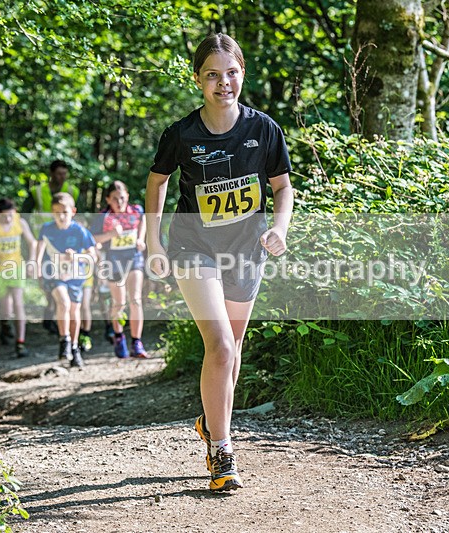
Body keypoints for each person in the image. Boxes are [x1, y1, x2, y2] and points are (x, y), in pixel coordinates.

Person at [145, 34, 294, 492]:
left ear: (242, 75)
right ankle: (222, 450)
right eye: (212, 74)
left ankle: (211, 423)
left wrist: (280, 229)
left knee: (233, 352)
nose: (222, 82)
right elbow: (156, 185)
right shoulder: (181, 134)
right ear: (198, 80)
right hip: (193, 248)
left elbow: (282, 188)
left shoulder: (264, 129)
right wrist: (153, 242)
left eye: (231, 73)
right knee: (221, 345)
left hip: (246, 248)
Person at [36, 192, 96, 369]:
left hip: (76, 276)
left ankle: (75, 347)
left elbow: (93, 257)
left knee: (74, 310)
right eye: (56, 212)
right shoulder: (46, 229)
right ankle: (64, 340)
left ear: (73, 211)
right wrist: (37, 266)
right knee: (63, 302)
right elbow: (39, 249)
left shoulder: (80, 231)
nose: (60, 216)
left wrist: (76, 256)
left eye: (64, 212)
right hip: (54, 275)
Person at [22, 160, 81, 336]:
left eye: (64, 173)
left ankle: (54, 318)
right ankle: (52, 312)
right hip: (44, 244)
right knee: (49, 284)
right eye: (58, 174)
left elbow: (83, 216)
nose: (61, 177)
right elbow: (23, 215)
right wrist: (31, 239)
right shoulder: (38, 192)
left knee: (62, 287)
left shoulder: (73, 192)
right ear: (51, 174)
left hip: (67, 248)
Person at [92, 181, 148, 358]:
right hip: (113, 262)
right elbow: (92, 239)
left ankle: (137, 342)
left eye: (122, 198)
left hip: (134, 259)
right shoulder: (103, 217)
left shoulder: (136, 210)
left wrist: (140, 238)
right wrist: (111, 234)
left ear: (128, 197)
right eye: (115, 199)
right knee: (119, 302)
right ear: (108, 199)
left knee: (136, 300)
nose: (119, 202)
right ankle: (119, 336)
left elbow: (143, 221)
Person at [0, 197, 37, 358]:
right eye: (5, 216)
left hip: (16, 267)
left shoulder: (20, 223)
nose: (8, 219)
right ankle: (5, 326)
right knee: (6, 310)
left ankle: (20, 342)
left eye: (11, 215)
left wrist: (32, 261)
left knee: (18, 305)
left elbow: (32, 242)